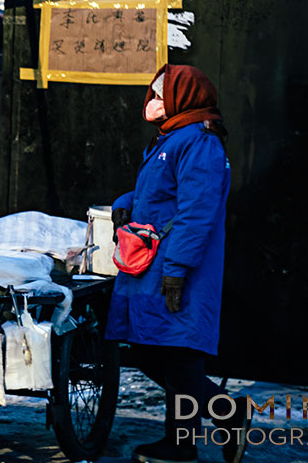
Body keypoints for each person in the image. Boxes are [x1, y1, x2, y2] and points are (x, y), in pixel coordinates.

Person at [105, 64, 249, 463]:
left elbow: (196, 211)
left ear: (184, 97)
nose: (151, 102)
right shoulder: (171, 139)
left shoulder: (198, 143)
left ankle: (187, 441)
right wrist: (125, 204)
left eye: (158, 95)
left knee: (179, 355)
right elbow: (159, 193)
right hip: (153, 266)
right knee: (155, 349)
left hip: (178, 268)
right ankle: (222, 415)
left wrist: (176, 270)